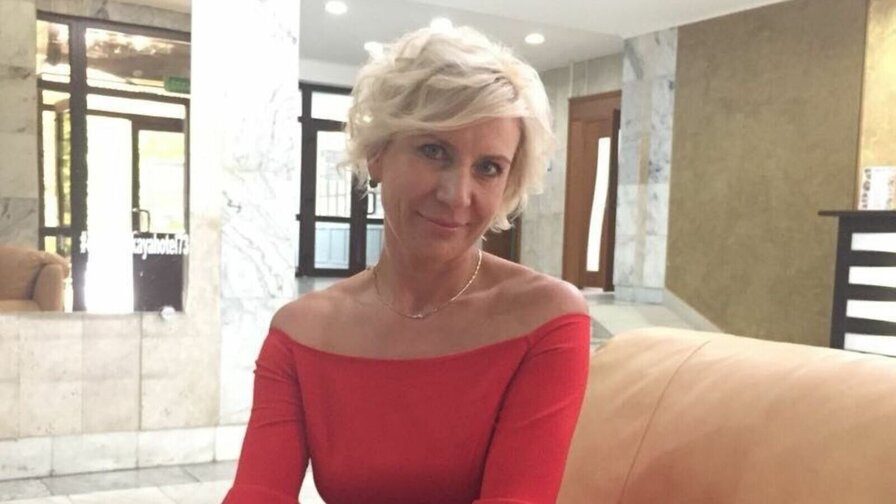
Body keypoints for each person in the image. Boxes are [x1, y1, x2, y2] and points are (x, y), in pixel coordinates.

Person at [223, 25, 591, 504]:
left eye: (488, 168)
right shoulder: (301, 332)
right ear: (378, 153)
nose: (457, 195)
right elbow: (258, 492)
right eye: (434, 151)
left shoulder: (544, 319)